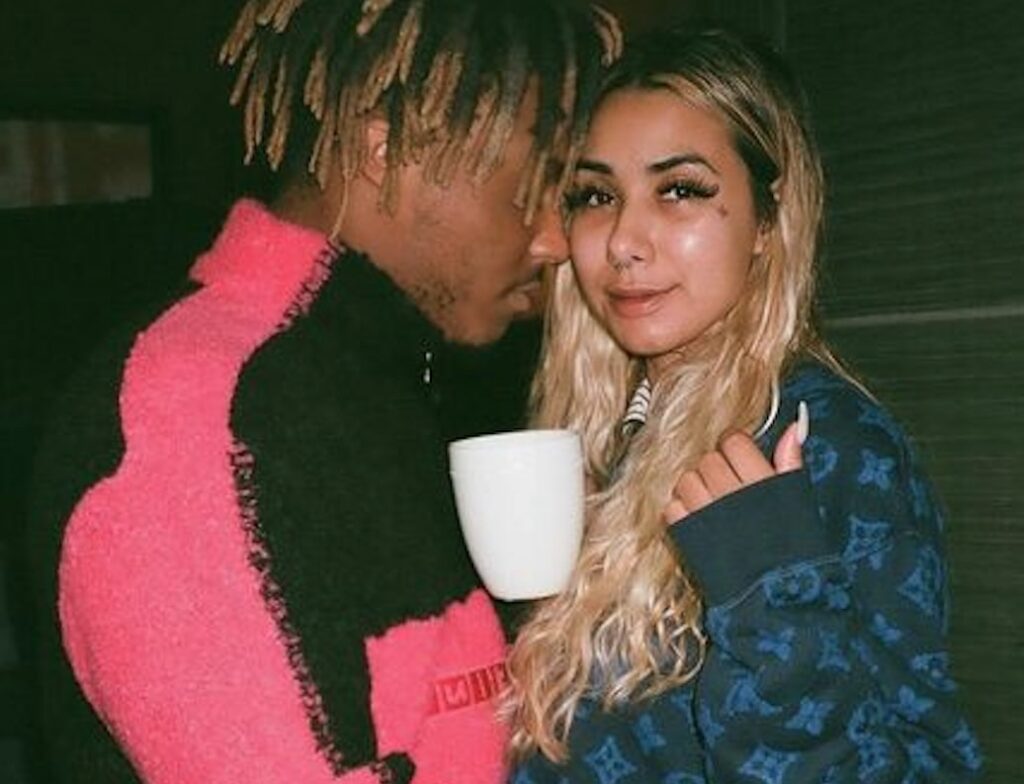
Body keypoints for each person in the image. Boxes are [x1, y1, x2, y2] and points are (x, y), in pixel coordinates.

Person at [26, 1, 621, 782]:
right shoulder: (203, 414)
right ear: (388, 149)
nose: (553, 238)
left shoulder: (358, 381)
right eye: (530, 186)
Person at [504, 27, 984, 783]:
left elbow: (928, 768)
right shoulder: (594, 439)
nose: (624, 240)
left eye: (680, 190)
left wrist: (772, 597)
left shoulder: (832, 446)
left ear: (769, 217)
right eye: (597, 195)